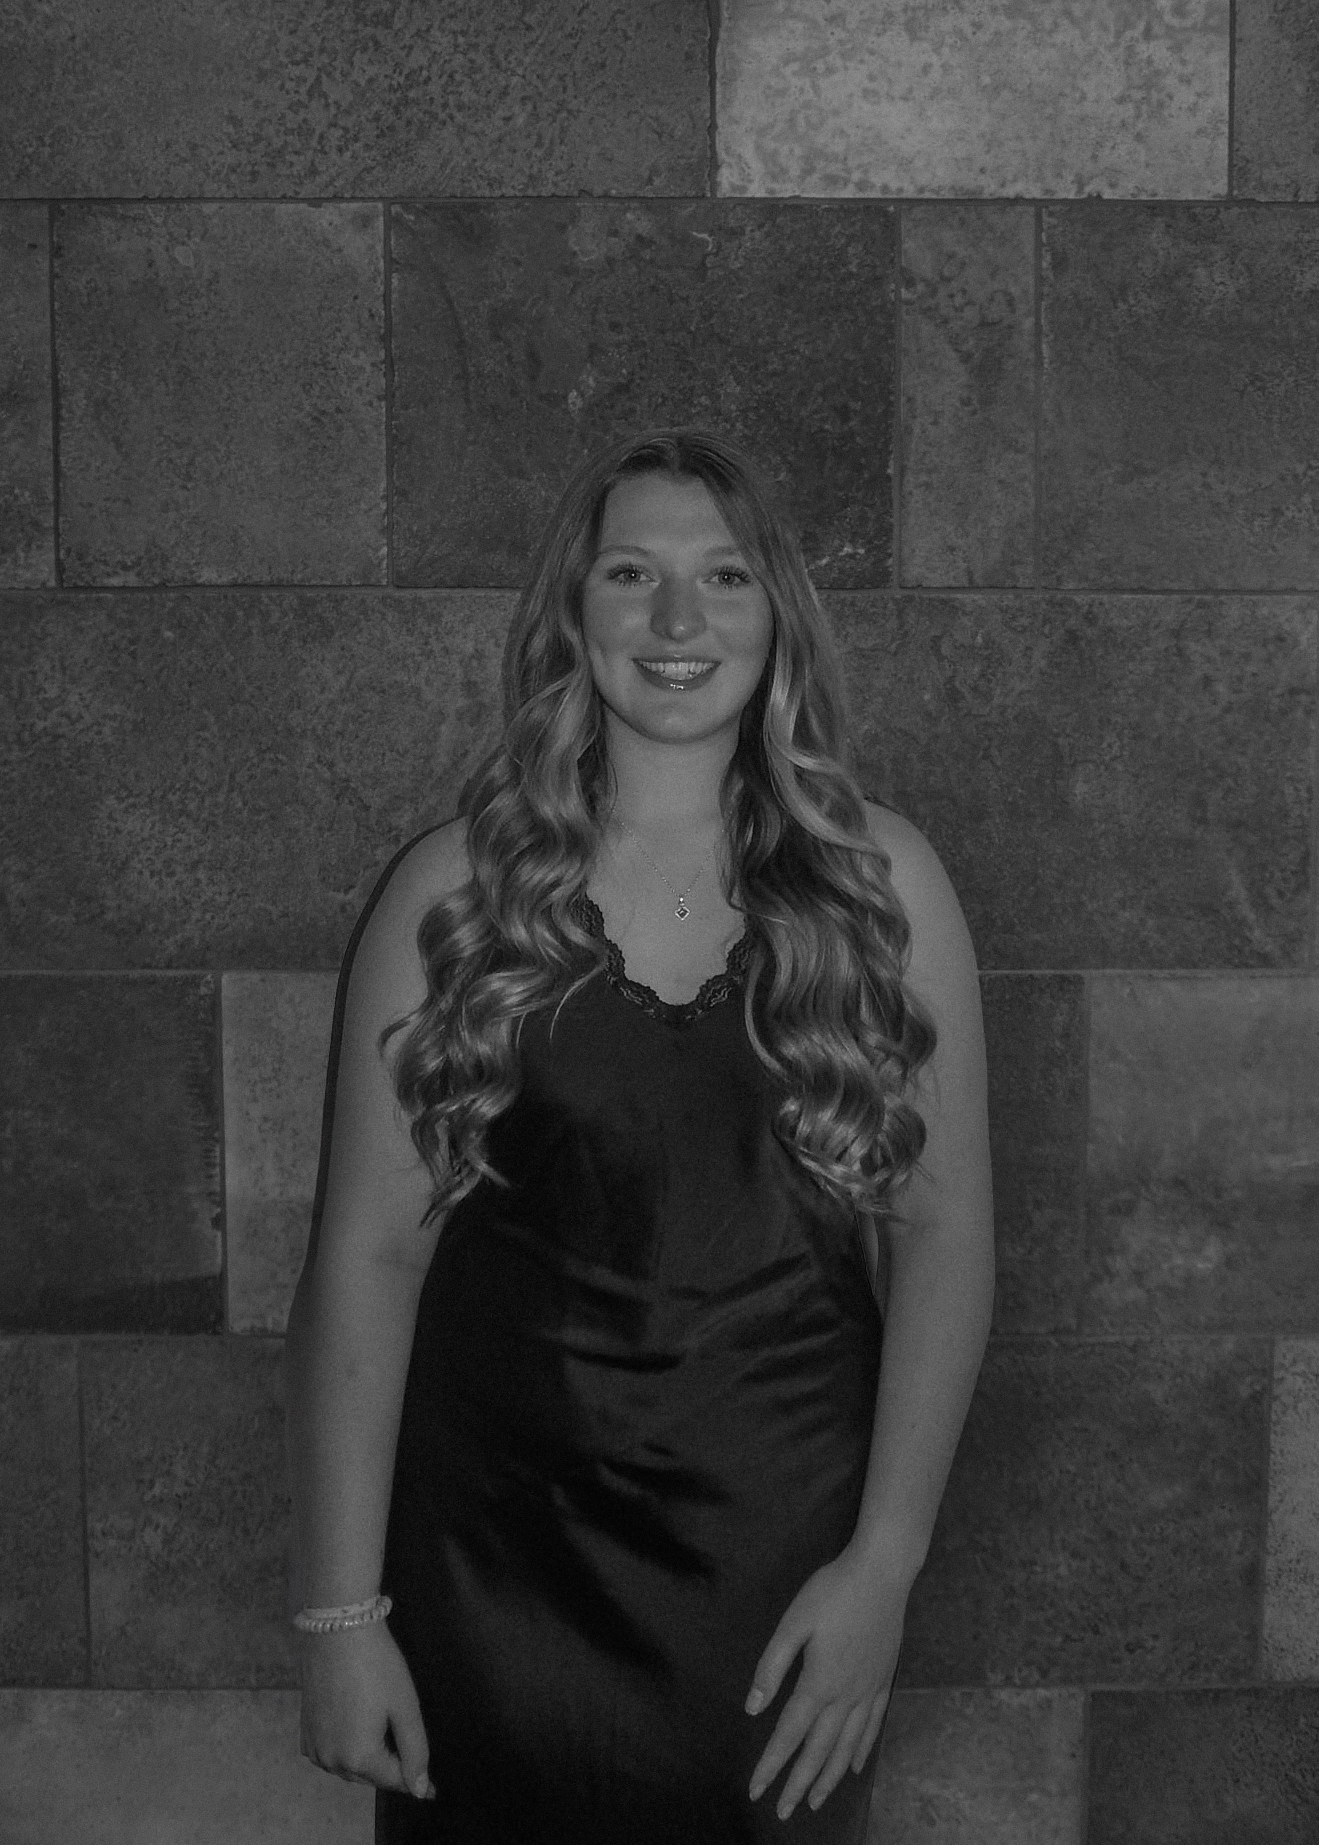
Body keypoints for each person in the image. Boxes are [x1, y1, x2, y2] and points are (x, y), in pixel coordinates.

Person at [283, 427, 995, 1843]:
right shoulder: (455, 895)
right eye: (632, 575)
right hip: (493, 1572)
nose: (677, 622)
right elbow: (363, 1262)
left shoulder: (877, 884)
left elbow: (942, 1233)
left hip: (777, 1567)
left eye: (721, 577)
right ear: (573, 614)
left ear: (774, 615)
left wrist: (883, 1570)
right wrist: (337, 1615)